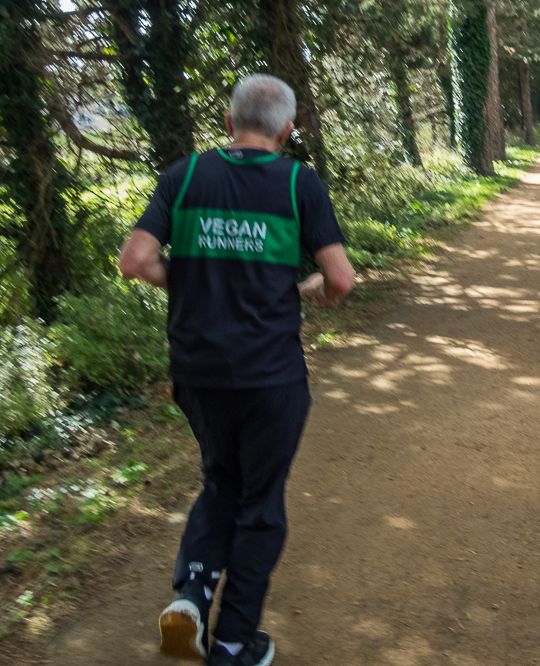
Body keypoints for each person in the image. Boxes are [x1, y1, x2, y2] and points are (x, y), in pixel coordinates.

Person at [119, 75, 356, 666]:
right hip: (269, 377)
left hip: (197, 374)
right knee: (261, 504)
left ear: (229, 123)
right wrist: (313, 290)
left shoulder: (186, 176)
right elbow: (342, 279)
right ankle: (231, 642)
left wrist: (194, 278)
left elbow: (136, 260)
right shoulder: (300, 182)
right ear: (287, 130)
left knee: (220, 479)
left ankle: (193, 595)